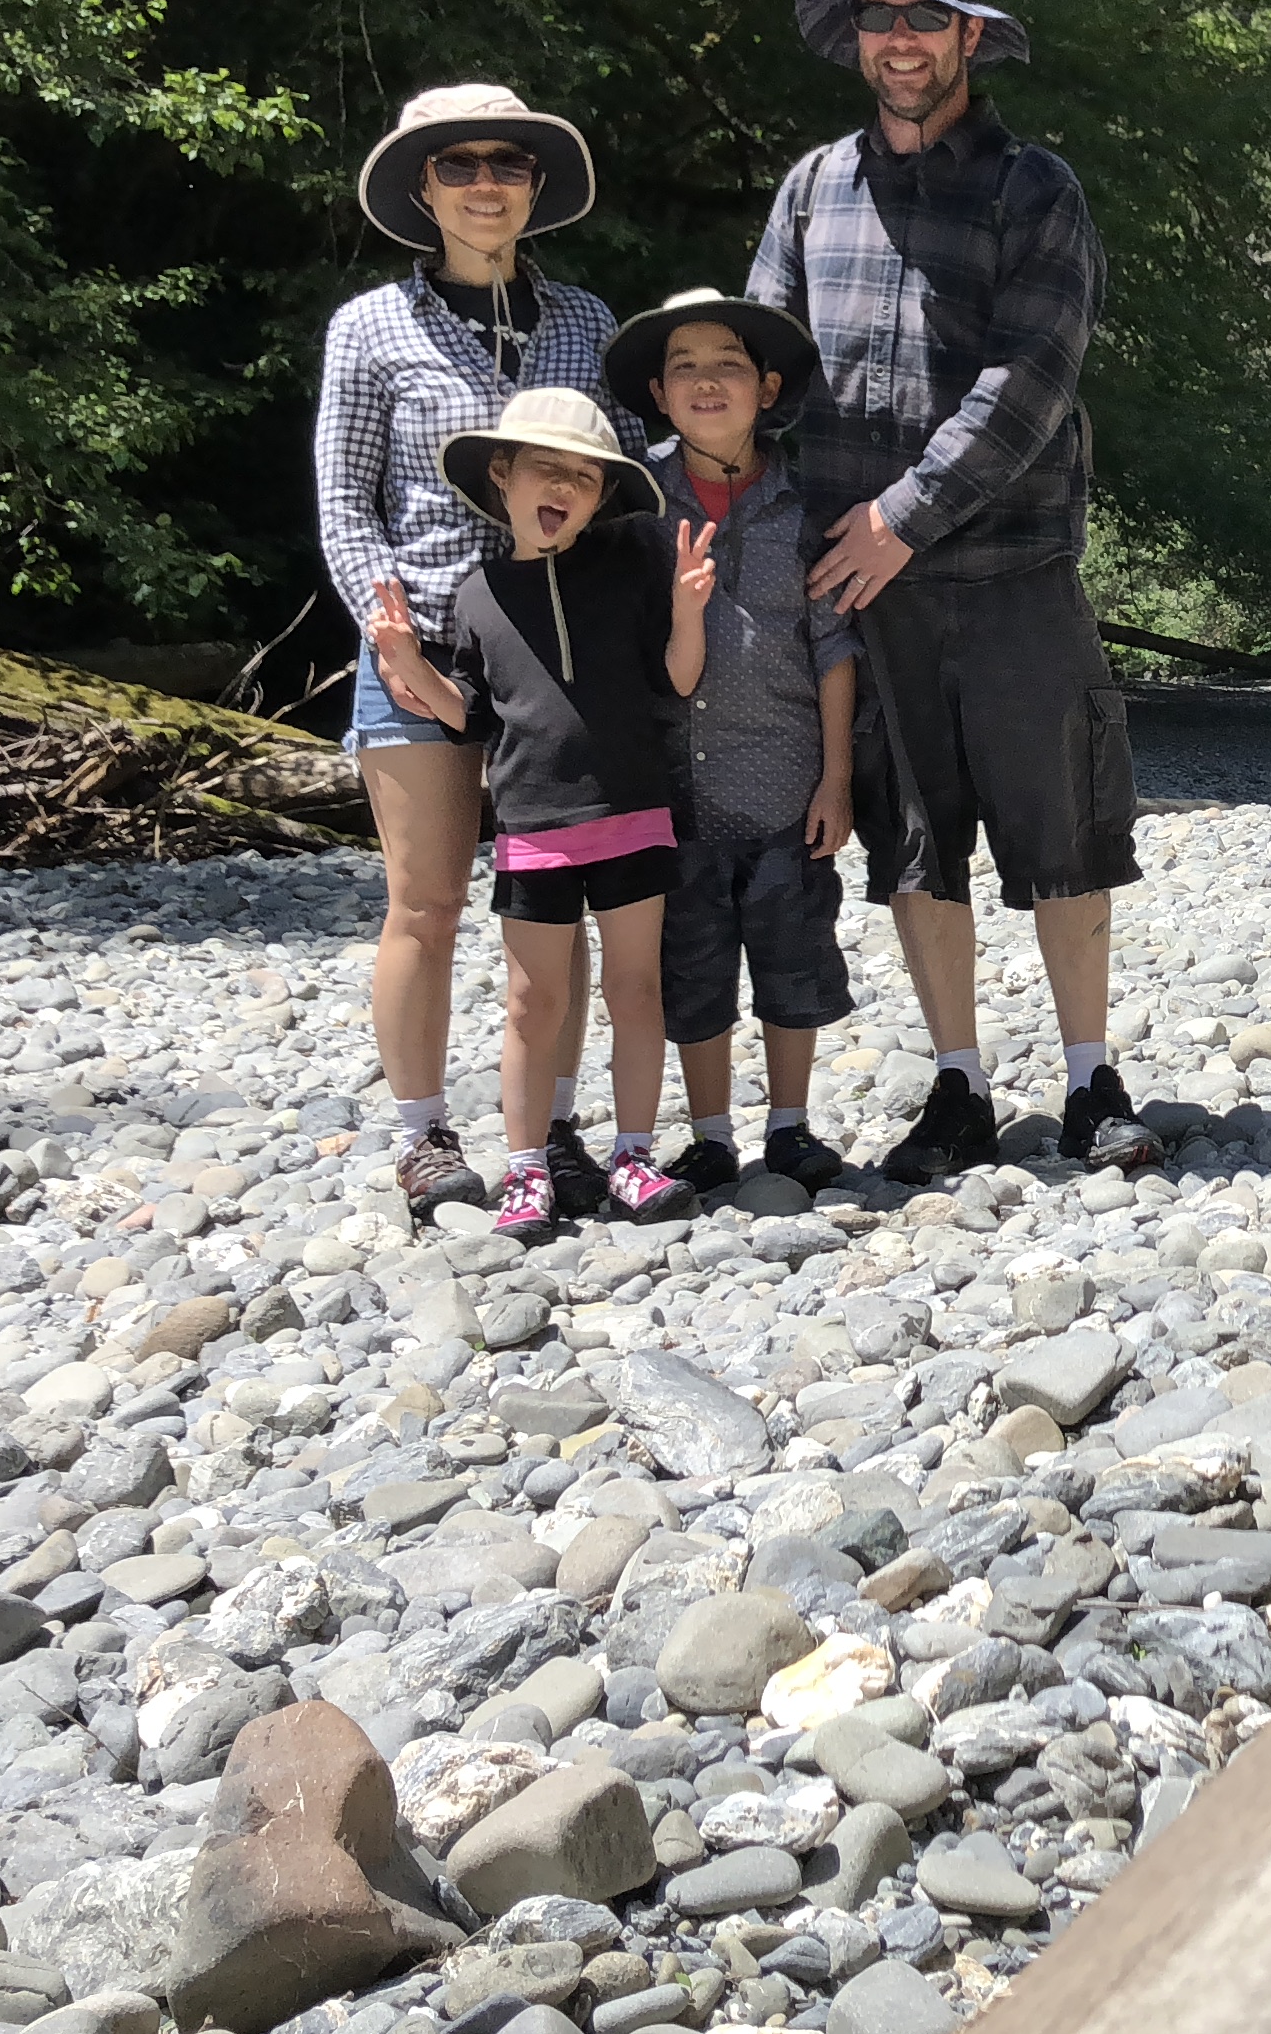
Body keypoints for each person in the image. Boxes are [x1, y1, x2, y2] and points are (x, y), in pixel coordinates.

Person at [752, 0, 1154, 1183]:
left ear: (970, 38)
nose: (903, 40)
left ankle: (1093, 1081)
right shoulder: (811, 189)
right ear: (857, 39)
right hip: (863, 596)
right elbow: (759, 365)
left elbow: (1030, 382)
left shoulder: (1040, 190)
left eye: (926, 19)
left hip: (1017, 572)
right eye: (880, 18)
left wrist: (901, 517)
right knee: (913, 848)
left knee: (1063, 835)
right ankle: (959, 1085)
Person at [314, 83, 639, 1221]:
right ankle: (420, 1135)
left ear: (537, 187)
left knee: (559, 902)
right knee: (426, 905)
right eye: (459, 166)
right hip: (424, 644)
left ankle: (548, 1128)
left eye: (507, 163)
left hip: (558, 649)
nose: (485, 183)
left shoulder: (588, 324)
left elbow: (624, 480)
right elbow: (346, 505)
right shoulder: (368, 328)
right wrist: (388, 631)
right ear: (424, 188)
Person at [361, 385, 716, 1235]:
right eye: (546, 470)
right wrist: (410, 662)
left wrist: (690, 612)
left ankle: (632, 1155)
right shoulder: (477, 593)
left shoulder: (628, 568)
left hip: (632, 814)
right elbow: (474, 715)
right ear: (502, 476)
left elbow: (678, 678)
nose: (564, 488)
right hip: (533, 831)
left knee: (636, 993)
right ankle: (526, 1169)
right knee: (532, 1003)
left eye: (586, 480)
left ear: (601, 499)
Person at [604, 287, 863, 1194]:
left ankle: (789, 1126)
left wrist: (838, 781)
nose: (707, 382)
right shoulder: (635, 500)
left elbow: (833, 645)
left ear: (767, 386)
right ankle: (710, 1133)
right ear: (659, 395)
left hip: (791, 780)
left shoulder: (806, 502)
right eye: (685, 369)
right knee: (693, 962)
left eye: (727, 366)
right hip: (672, 792)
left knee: (795, 955)